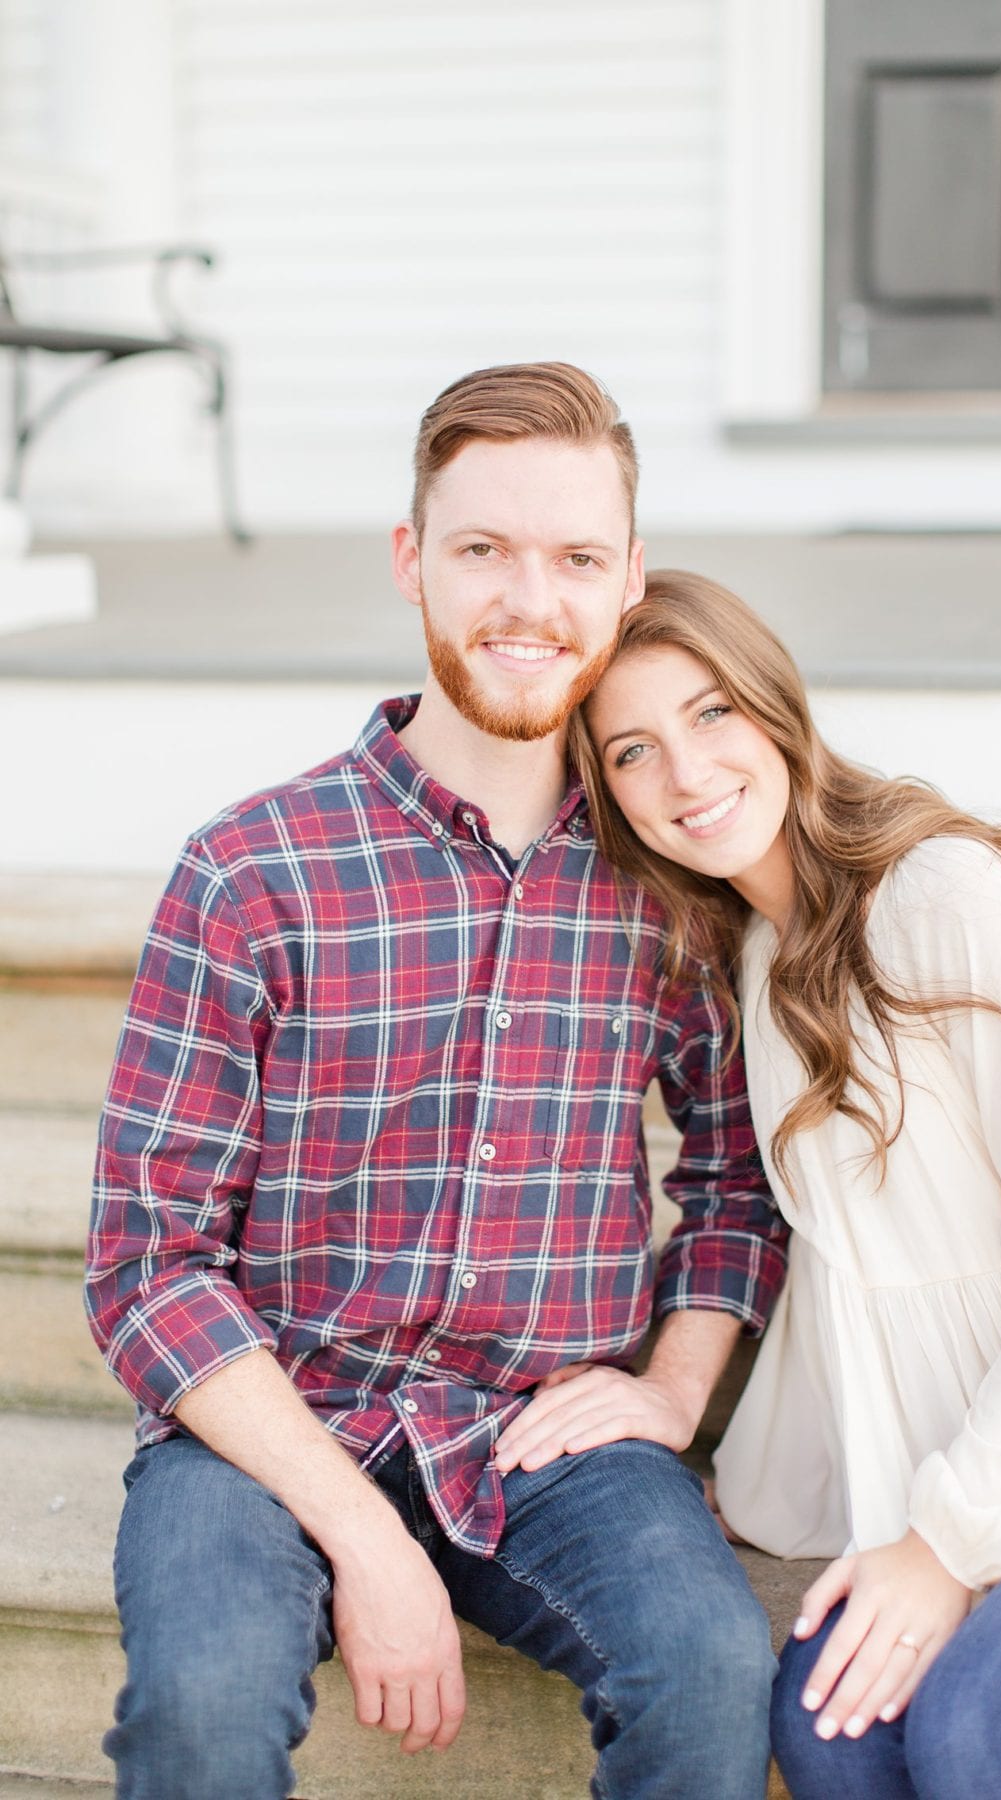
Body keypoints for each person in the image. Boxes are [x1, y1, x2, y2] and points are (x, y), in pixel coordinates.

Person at [85, 369, 788, 1800]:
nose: (531, 600)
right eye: (484, 550)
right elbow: (147, 1261)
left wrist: (671, 1387)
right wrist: (363, 1532)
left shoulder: (671, 883)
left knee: (716, 1677)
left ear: (628, 578)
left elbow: (735, 1178)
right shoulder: (252, 873)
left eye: (579, 559)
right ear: (414, 560)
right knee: (202, 1710)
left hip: (552, 1426)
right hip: (270, 1420)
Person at [576, 568, 1001, 1800]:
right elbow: (857, 1290)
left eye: (711, 716)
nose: (687, 776)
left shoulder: (943, 895)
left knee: (990, 1734)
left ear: (776, 707)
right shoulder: (760, 965)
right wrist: (731, 1482)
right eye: (634, 752)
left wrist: (944, 1542)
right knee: (828, 1733)